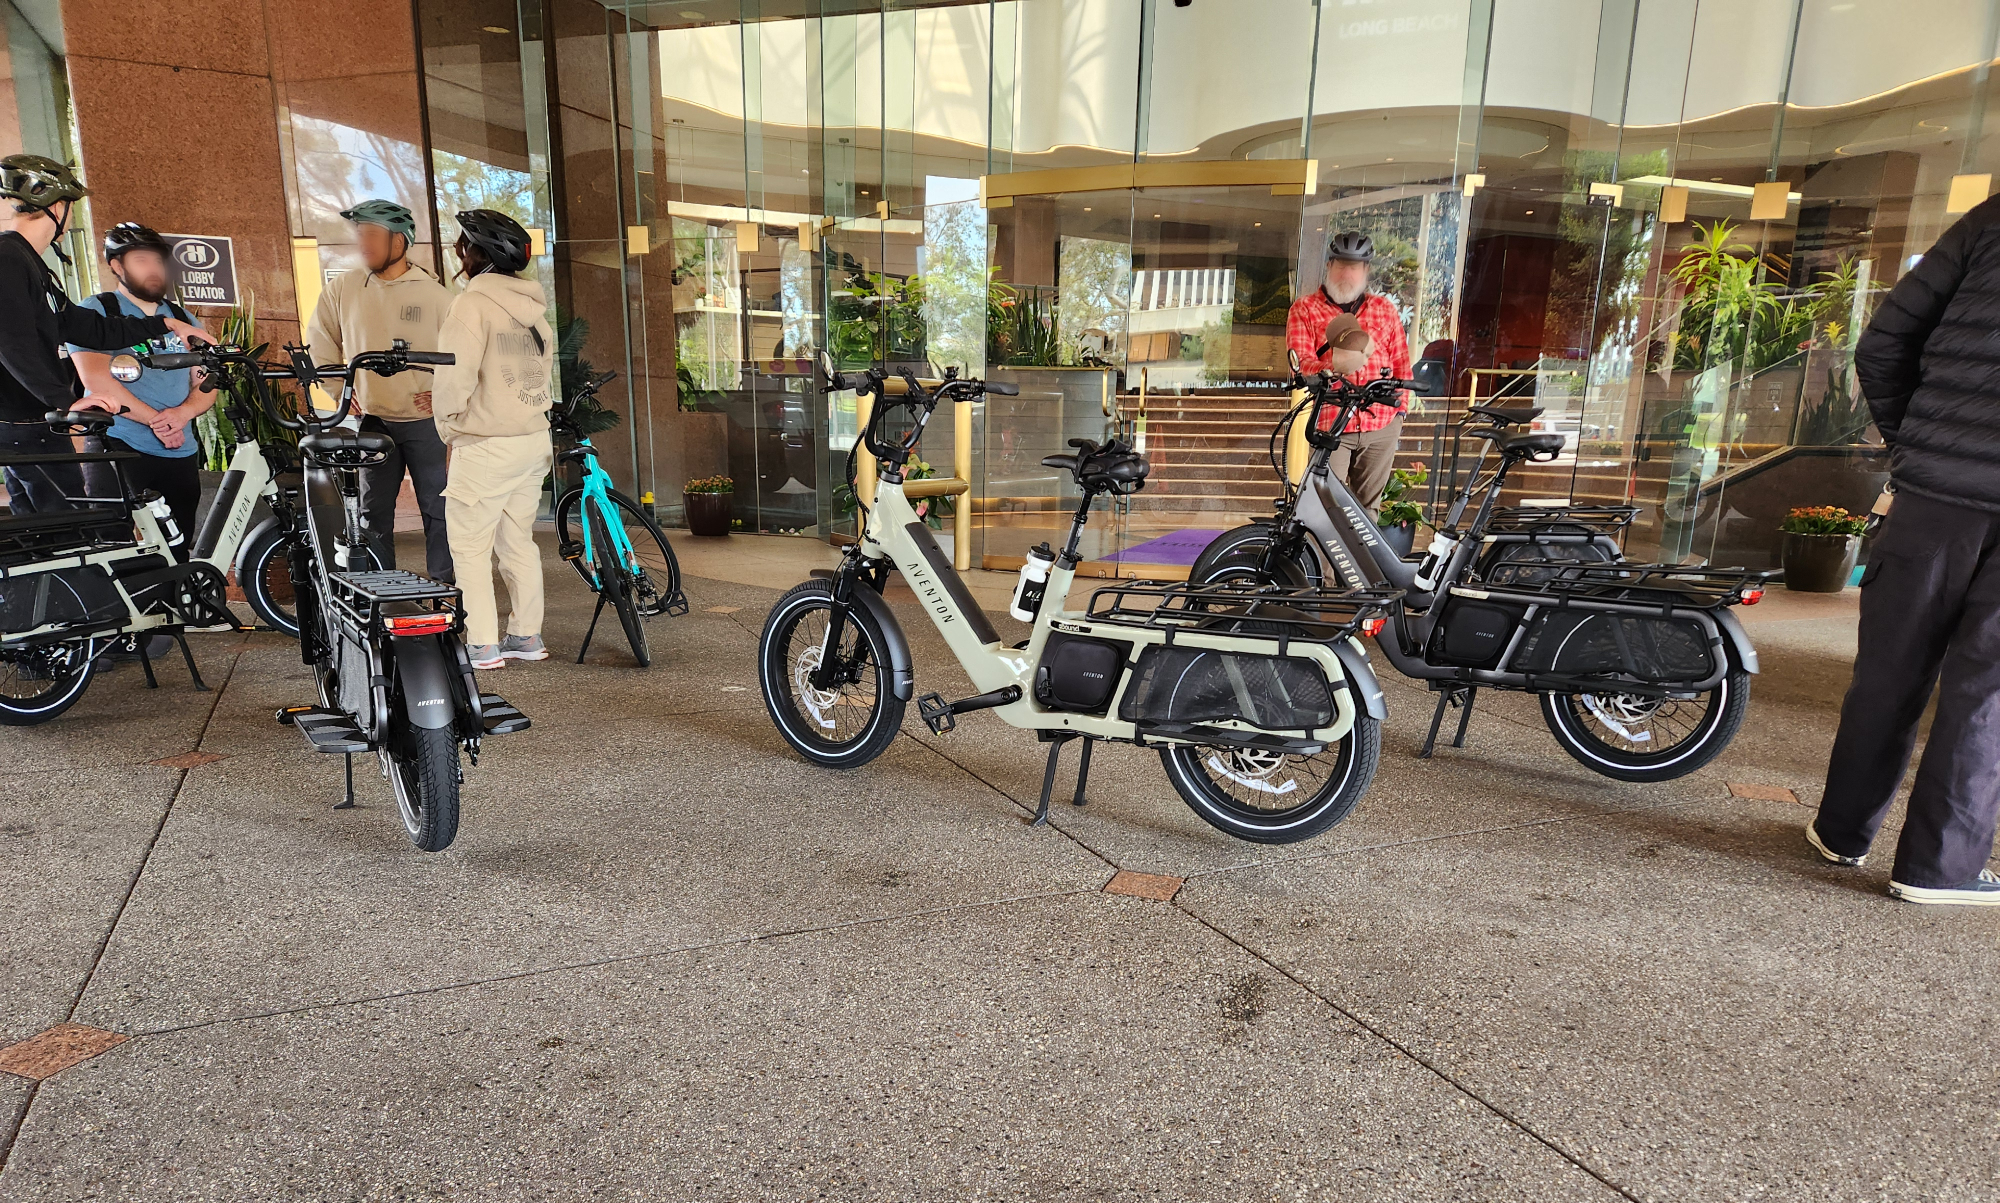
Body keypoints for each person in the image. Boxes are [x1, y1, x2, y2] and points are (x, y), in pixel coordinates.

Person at [1808, 193, 2000, 905]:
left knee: (1888, 669)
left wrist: (1913, 443)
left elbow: (1883, 343)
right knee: (1988, 692)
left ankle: (1841, 831)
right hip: (1943, 485)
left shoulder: (1991, 219)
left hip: (1932, 499)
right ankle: (1939, 868)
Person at [0, 155, 211, 514]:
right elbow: (11, 341)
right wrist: (67, 401)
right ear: (58, 206)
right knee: (70, 535)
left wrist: (165, 324)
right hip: (23, 424)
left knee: (42, 537)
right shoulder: (7, 257)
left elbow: (88, 327)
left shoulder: (29, 263)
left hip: (30, 423)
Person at [305, 199, 456, 581]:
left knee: (439, 509)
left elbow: (463, 356)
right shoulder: (345, 288)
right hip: (372, 420)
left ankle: (444, 586)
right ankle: (380, 586)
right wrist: (337, 387)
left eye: (373, 234)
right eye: (360, 235)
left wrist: (443, 393)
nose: (364, 244)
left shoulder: (436, 296)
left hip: (427, 422)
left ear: (401, 241)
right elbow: (321, 339)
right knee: (372, 513)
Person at [431, 209, 553, 670]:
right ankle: (525, 634)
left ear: (473, 252)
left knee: (469, 546)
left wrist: (450, 427)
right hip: (531, 439)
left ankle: (481, 643)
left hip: (485, 443)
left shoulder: (471, 304)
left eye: (462, 246)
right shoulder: (534, 311)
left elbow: (452, 377)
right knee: (517, 540)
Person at [69, 223, 217, 550]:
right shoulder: (97, 312)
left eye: (158, 261)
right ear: (117, 266)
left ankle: (171, 602)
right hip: (118, 443)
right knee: (111, 541)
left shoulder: (184, 319)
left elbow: (207, 379)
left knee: (177, 545)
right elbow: (96, 380)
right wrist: (158, 421)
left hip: (179, 449)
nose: (153, 269)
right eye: (141, 260)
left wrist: (182, 414)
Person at [1284, 231, 1412, 513]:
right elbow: (1300, 362)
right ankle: (1321, 559)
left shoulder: (1384, 310)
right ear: (1329, 266)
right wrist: (1333, 367)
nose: (1346, 273)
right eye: (1341, 265)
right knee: (1325, 508)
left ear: (1365, 270)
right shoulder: (1304, 309)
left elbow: (1401, 361)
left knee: (1368, 510)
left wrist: (1400, 413)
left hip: (1381, 423)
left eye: (1353, 267)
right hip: (1331, 422)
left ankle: (1362, 560)